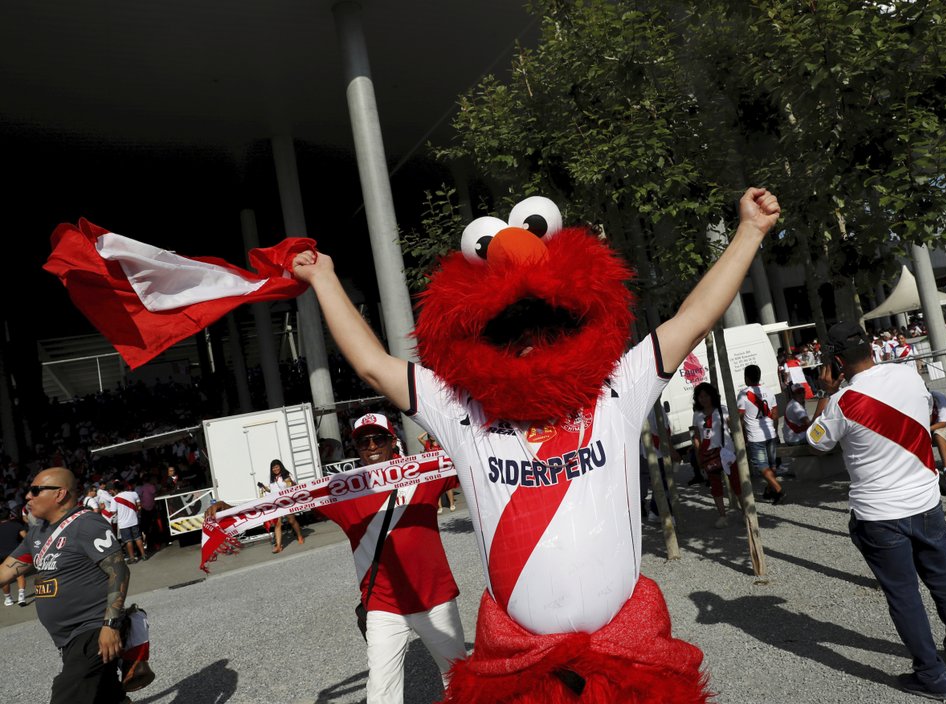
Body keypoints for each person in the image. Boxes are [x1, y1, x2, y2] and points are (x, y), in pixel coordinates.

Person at [291, 187, 781, 702]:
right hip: (521, 672)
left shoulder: (616, 387)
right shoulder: (463, 409)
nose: (528, 341)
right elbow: (373, 364)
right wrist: (324, 279)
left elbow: (694, 317)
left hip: (624, 659)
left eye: (546, 325)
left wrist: (748, 231)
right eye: (510, 332)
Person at [209, 414, 466, 704]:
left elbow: (473, 466)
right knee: (381, 692)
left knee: (461, 680)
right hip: (384, 606)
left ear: (392, 441)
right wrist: (230, 510)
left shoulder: (422, 475)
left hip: (435, 599)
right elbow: (286, 504)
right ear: (355, 447)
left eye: (378, 438)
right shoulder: (343, 490)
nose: (371, 446)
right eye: (363, 441)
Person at [806, 322, 946, 701]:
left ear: (834, 362)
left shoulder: (841, 403)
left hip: (879, 512)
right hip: (925, 498)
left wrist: (827, 391)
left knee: (903, 595)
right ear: (871, 348)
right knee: (943, 577)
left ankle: (932, 676)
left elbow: (816, 442)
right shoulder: (909, 374)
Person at [0, 467, 131, 704]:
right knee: (106, 696)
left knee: (66, 696)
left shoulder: (87, 524)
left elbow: (119, 570)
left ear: (59, 494)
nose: (28, 496)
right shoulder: (37, 532)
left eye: (35, 490)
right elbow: (6, 570)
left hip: (92, 630)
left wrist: (110, 625)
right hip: (67, 639)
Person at [691, 382, 742, 528]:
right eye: (700, 396)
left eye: (706, 395)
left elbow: (735, 428)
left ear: (712, 395)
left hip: (726, 452)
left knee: (736, 483)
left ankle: (746, 512)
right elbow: (696, 436)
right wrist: (698, 454)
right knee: (715, 487)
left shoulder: (723, 410)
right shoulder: (697, 415)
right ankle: (722, 516)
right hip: (708, 455)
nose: (703, 399)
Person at [736, 363, 785, 503]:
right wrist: (774, 430)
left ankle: (778, 489)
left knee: (761, 465)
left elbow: (740, 417)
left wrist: (742, 435)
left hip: (755, 435)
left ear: (746, 377)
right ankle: (770, 490)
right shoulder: (769, 391)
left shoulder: (743, 394)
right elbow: (775, 414)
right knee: (772, 465)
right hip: (770, 431)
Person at [267, 459, 305, 554]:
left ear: (280, 466)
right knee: (277, 524)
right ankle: (279, 546)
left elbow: (292, 486)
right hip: (276, 504)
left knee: (291, 521)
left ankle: (299, 536)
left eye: (277, 467)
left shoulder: (286, 474)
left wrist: (290, 482)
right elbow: (271, 490)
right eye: (273, 468)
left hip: (286, 502)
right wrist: (264, 488)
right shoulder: (271, 478)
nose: (275, 469)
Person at [418, 432, 456, 514]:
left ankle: (452, 504)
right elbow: (419, 438)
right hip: (434, 469)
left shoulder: (442, 443)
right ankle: (440, 507)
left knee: (448, 487)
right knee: (437, 488)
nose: (431, 436)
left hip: (444, 468)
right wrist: (427, 431)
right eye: (430, 435)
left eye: (433, 434)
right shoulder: (427, 444)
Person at [112, 480, 148, 563]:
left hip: (123, 523)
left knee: (128, 541)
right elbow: (139, 506)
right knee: (138, 538)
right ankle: (143, 555)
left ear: (116, 489)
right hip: (134, 520)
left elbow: (113, 512)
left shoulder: (115, 499)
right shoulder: (133, 494)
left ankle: (132, 558)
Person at [0, 510, 26, 606]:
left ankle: (8, 599)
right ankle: (21, 597)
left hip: (1, 554)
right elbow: (25, 538)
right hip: (15, 553)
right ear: (10, 516)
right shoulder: (16, 525)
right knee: (19, 574)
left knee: (4, 577)